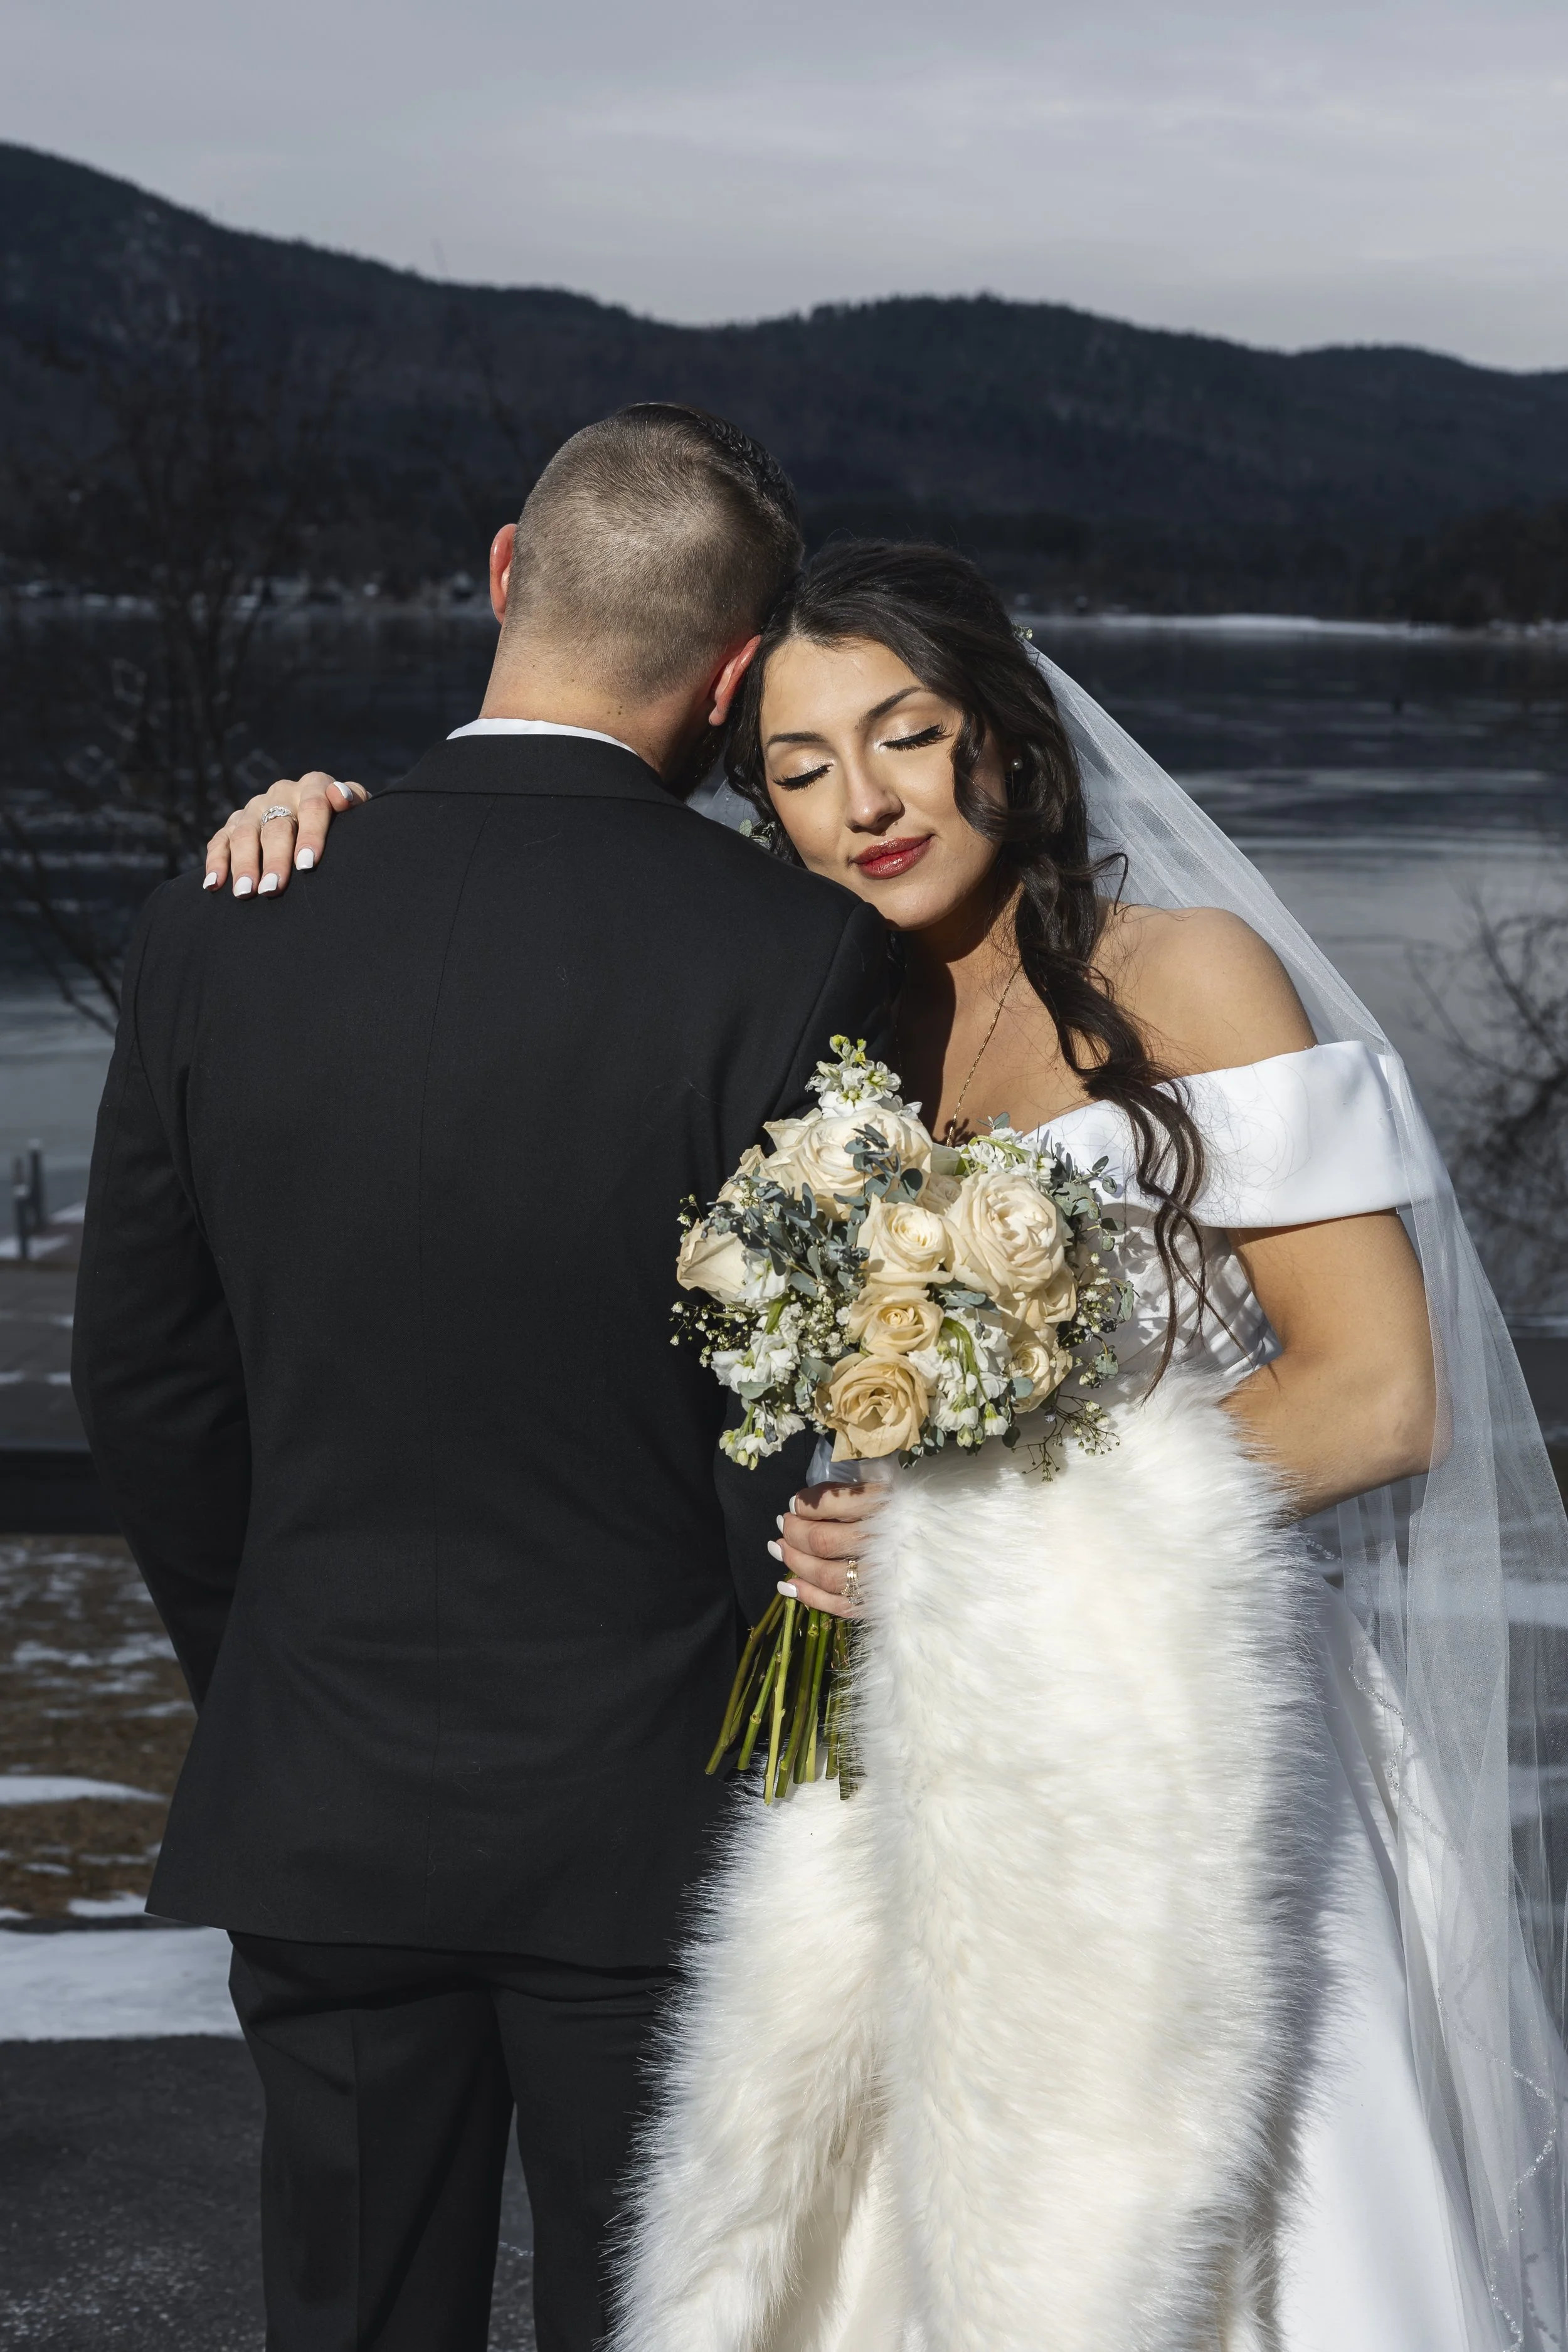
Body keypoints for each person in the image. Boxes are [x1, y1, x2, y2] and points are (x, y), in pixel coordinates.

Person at [212, 543, 1568, 2349]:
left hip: (1185, 1730)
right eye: (796, 766)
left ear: (1000, 731)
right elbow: (534, 957)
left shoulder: (1189, 972)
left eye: (905, 736)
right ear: (746, 791)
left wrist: (978, 1550)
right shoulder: (815, 1004)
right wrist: (345, 833)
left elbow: (1375, 1391)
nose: (862, 804)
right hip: (897, 1763)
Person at [70, 405, 892, 2352]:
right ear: (735, 672)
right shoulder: (799, 956)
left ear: (506, 575)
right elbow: (794, 1434)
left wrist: (276, 1652)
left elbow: (148, 1380)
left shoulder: (221, 913)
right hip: (651, 1815)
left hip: (329, 1789)